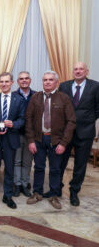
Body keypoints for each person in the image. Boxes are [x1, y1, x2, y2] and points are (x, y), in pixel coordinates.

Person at [26, 71, 76, 209]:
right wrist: (31, 140)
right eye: (45, 80)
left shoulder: (64, 98)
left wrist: (64, 143)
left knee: (55, 169)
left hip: (56, 141)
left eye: (50, 80)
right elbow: (28, 120)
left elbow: (71, 121)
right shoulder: (35, 97)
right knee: (39, 167)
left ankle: (54, 195)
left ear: (56, 82)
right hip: (38, 139)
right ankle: (37, 193)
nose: (47, 82)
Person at [58, 62, 99, 206]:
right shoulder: (64, 86)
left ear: (86, 71)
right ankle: (57, 187)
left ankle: (74, 191)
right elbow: (59, 106)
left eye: (81, 69)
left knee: (80, 164)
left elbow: (97, 108)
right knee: (60, 161)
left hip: (85, 132)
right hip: (66, 132)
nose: (78, 71)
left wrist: (87, 119)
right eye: (75, 69)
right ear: (72, 72)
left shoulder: (95, 86)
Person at [0, 72, 25, 209]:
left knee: (9, 169)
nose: (4, 84)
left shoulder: (19, 100)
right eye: (1, 81)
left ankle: (8, 195)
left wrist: (13, 124)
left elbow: (22, 119)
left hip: (11, 139)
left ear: (12, 83)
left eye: (6, 81)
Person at [13, 71, 36, 197]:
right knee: (16, 161)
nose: (24, 80)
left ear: (30, 80)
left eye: (26, 78)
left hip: (30, 135)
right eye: (21, 78)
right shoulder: (13, 95)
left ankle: (24, 184)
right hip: (16, 134)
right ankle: (16, 184)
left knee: (27, 161)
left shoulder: (37, 95)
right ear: (18, 81)